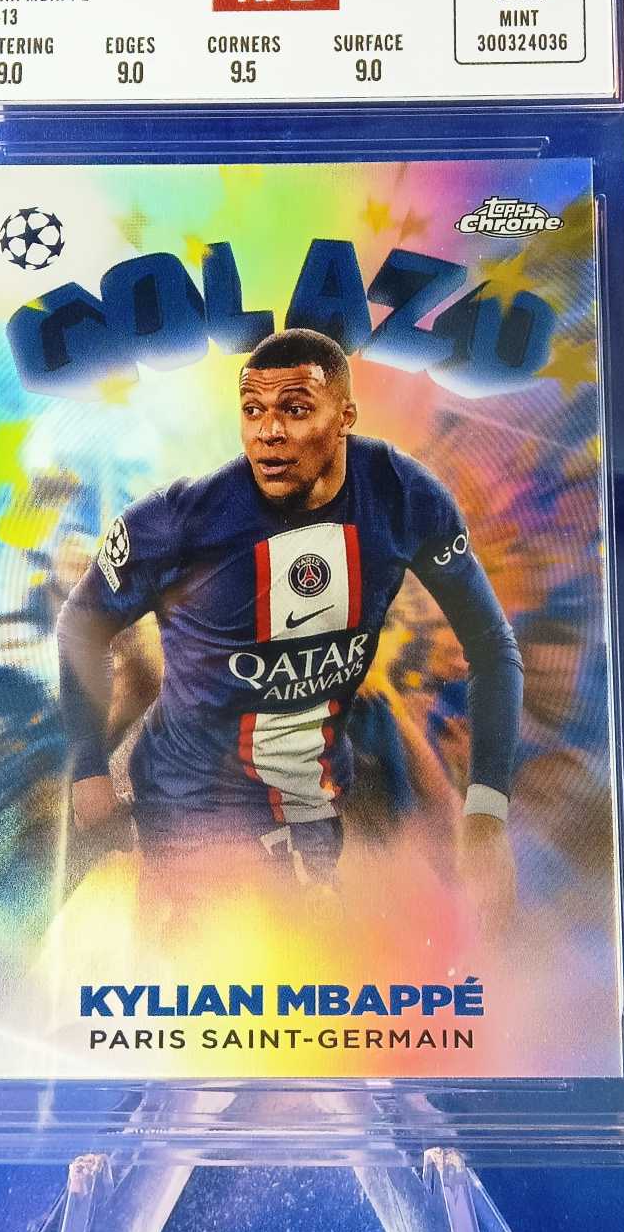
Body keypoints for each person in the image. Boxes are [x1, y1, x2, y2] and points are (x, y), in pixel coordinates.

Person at [56, 329, 522, 924]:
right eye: (253, 410)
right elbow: (82, 624)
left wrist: (485, 815)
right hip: (187, 816)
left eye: (295, 409)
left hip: (314, 822)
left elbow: (491, 645)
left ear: (345, 416)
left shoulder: (403, 499)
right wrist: (88, 769)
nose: (268, 431)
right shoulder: (181, 521)